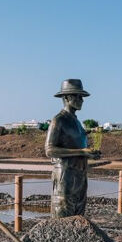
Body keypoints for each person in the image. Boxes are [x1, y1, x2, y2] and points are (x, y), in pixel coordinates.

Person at [45, 79, 98, 218]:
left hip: (80, 175)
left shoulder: (76, 121)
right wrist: (81, 152)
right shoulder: (59, 120)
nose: (82, 100)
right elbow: (49, 150)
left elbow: (78, 145)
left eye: (82, 97)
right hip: (65, 176)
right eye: (78, 96)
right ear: (67, 97)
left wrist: (89, 154)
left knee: (78, 214)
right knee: (63, 213)